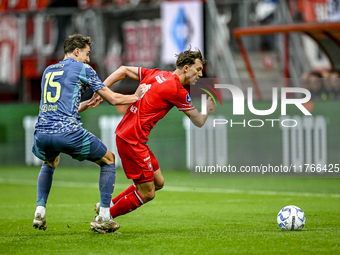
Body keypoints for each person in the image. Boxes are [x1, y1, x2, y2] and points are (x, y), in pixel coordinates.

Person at [31, 34, 148, 233]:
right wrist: (135, 97)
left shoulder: (48, 71)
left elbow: (56, 108)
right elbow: (111, 98)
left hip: (42, 133)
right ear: (77, 51)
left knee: (49, 162)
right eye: (87, 53)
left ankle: (39, 211)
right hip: (67, 132)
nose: (88, 59)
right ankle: (103, 216)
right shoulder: (83, 68)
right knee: (109, 160)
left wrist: (86, 103)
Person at [90, 48, 215, 223]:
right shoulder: (178, 91)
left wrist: (100, 90)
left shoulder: (156, 73)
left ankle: (107, 205)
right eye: (198, 69)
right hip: (132, 140)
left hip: (131, 136)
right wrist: (207, 110)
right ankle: (104, 217)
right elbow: (199, 121)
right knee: (147, 193)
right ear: (186, 68)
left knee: (158, 182)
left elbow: (123, 69)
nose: (201, 74)